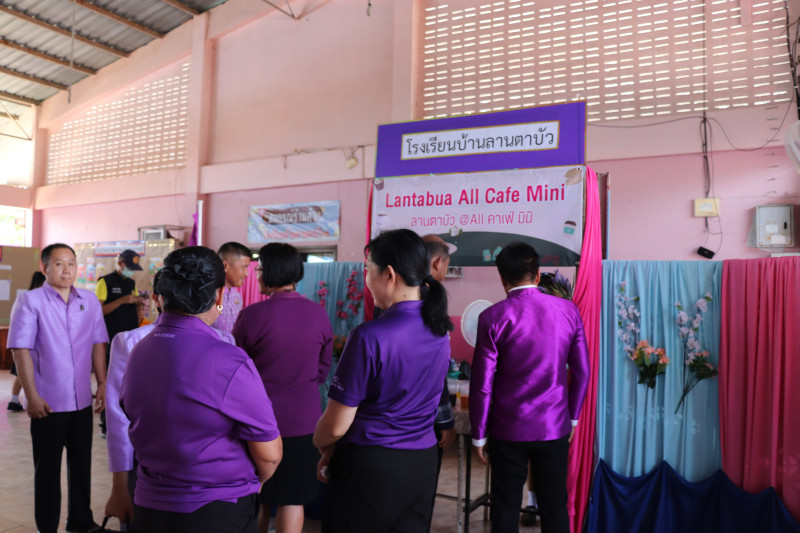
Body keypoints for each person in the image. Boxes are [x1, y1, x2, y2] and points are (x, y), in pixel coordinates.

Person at [120, 246, 282, 533]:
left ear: (161, 296)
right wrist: (254, 482)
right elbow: (269, 454)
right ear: (219, 296)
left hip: (149, 506)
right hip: (215, 509)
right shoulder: (228, 359)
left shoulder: (139, 351)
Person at [314, 229, 453, 533]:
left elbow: (335, 425)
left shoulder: (368, 336)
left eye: (368, 270)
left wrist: (321, 443)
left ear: (389, 275)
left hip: (371, 466)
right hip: (422, 464)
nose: (366, 279)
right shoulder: (441, 332)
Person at [469, 242, 590, 533]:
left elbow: (482, 383)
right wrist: (572, 418)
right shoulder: (568, 311)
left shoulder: (491, 317)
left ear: (502, 278)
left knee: (505, 507)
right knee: (554, 506)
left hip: (507, 429)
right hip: (554, 426)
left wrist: (479, 435)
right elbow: (582, 372)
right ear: (537, 275)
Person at [103, 270, 238, 530]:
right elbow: (119, 419)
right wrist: (119, 488)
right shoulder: (130, 341)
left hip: (208, 475)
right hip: (148, 469)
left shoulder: (225, 341)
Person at [8, 243, 108, 533]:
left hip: (81, 401)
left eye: (71, 263)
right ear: (44, 268)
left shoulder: (89, 300)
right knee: (47, 471)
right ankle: (47, 527)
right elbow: (20, 350)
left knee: (82, 466)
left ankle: (80, 521)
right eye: (59, 264)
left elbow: (98, 343)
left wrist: (102, 383)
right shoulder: (30, 301)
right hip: (47, 403)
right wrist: (31, 396)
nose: (66, 270)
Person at [233, 243, 333, 533]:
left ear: (271, 272)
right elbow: (323, 369)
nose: (257, 275)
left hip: (259, 421)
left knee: (260, 494)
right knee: (292, 498)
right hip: (304, 420)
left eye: (260, 269)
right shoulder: (318, 314)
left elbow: (235, 369)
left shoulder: (252, 316)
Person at [96, 249, 142, 437]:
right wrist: (122, 300)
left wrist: (138, 305)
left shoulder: (131, 283)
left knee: (128, 381)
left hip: (129, 339)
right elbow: (99, 310)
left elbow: (134, 302)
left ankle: (126, 419)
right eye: (128, 267)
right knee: (111, 383)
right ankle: (106, 423)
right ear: (120, 263)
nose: (130, 271)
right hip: (111, 339)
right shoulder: (105, 282)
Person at [7, 271, 46, 412]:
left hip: (24, 343)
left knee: (20, 373)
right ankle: (17, 400)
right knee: (23, 372)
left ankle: (14, 400)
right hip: (28, 344)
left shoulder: (27, 296)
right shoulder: (32, 299)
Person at [212, 241, 252, 333]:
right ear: (225, 265)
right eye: (243, 267)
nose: (246, 273)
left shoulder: (237, 296)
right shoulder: (209, 296)